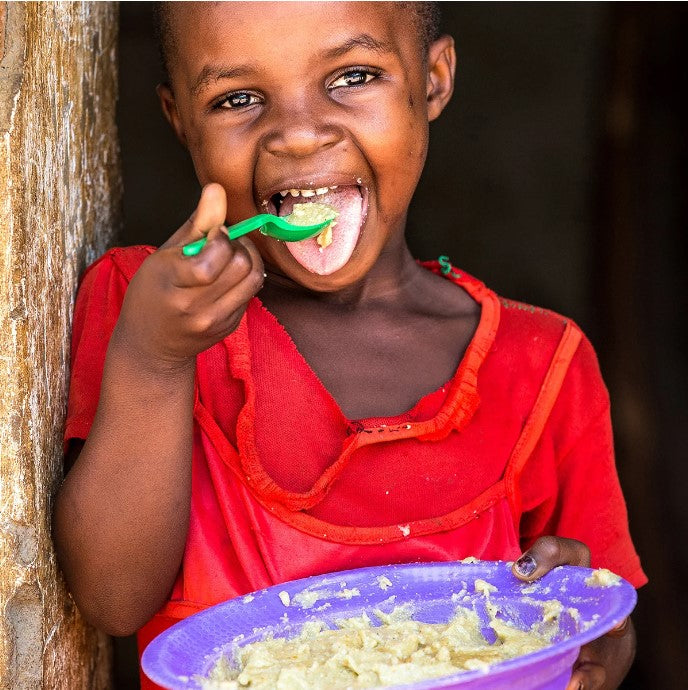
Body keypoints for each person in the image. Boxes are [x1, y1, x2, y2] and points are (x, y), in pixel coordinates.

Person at [53, 3, 646, 689]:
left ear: (433, 80)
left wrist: (602, 640)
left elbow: (606, 626)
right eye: (237, 99)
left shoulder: (543, 364)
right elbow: (111, 599)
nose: (300, 135)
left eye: (353, 76)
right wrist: (154, 362)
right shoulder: (149, 314)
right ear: (179, 118)